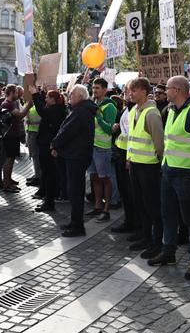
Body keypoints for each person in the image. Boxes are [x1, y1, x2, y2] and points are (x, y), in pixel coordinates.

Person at [148, 76, 190, 281]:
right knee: (168, 214)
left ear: (176, 90)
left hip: (188, 174)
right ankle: (169, 253)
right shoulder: (171, 111)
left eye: (167, 88)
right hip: (169, 171)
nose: (164, 92)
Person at [124, 78, 165, 258]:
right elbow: (132, 138)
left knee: (152, 206)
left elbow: (159, 144)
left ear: (143, 92)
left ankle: (156, 243)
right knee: (140, 203)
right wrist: (129, 158)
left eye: (134, 90)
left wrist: (160, 164)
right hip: (135, 164)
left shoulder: (151, 113)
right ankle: (145, 236)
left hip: (149, 167)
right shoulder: (134, 110)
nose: (130, 94)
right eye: (129, 91)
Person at [52, 84, 98, 237]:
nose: (69, 96)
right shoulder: (81, 110)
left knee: (76, 192)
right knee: (75, 191)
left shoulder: (81, 112)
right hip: (76, 155)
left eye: (71, 94)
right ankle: (74, 221)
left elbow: (67, 132)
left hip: (76, 156)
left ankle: (78, 226)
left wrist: (55, 144)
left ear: (79, 96)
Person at [28, 86, 67, 212]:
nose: (45, 100)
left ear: (53, 100)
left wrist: (35, 95)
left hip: (48, 146)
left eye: (47, 98)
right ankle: (48, 198)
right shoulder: (56, 109)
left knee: (50, 174)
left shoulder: (56, 110)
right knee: (48, 173)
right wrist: (40, 93)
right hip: (47, 144)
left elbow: (41, 111)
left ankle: (49, 201)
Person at [86, 78, 118, 222]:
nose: (95, 90)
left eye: (98, 88)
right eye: (93, 88)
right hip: (91, 146)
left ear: (105, 90)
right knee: (94, 177)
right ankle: (98, 206)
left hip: (102, 148)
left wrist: (98, 115)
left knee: (105, 178)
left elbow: (109, 129)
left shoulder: (109, 106)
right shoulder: (94, 103)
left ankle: (107, 210)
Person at [110, 88, 138, 235]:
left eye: (130, 91)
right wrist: (116, 127)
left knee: (131, 192)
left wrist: (129, 157)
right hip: (121, 153)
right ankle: (129, 220)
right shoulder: (127, 109)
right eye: (126, 91)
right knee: (125, 191)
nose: (127, 94)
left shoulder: (137, 109)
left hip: (130, 156)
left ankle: (135, 223)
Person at [0, 85, 31, 192]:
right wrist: (29, 105)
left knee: (12, 158)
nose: (18, 95)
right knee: (9, 159)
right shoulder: (7, 104)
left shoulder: (10, 103)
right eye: (17, 92)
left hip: (13, 135)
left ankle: (8, 180)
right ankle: (6, 184)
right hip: (10, 136)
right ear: (12, 92)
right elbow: (20, 115)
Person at [25, 88, 42, 188]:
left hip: (36, 133)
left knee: (36, 155)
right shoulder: (29, 104)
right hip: (30, 132)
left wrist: (34, 123)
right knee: (32, 154)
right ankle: (36, 174)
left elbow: (43, 120)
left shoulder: (39, 106)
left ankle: (38, 176)